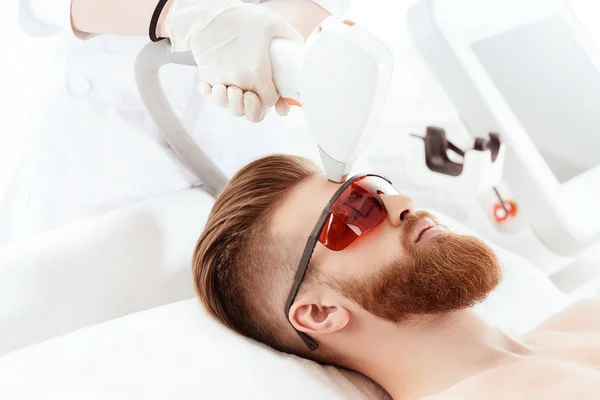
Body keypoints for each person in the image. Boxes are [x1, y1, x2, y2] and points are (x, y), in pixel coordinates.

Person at [193, 154, 600, 400]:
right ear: (319, 312)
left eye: (376, 188)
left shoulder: (581, 318)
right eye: (354, 211)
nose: (402, 203)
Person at [0, 0, 348, 247]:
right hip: (92, 172)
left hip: (233, 158)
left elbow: (313, 8)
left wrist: (258, 36)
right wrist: (183, 15)